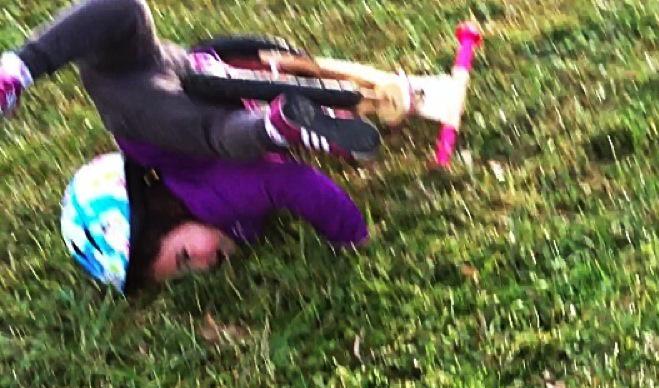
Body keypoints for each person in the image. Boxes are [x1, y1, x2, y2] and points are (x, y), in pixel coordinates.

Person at [0, 0, 397, 295]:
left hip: (174, 114)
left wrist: (352, 237)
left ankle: (277, 127)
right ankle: (289, 122)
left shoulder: (214, 201)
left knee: (208, 127)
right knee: (129, 37)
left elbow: (293, 183)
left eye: (185, 258)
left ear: (163, 215)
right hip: (193, 76)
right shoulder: (206, 202)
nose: (203, 266)